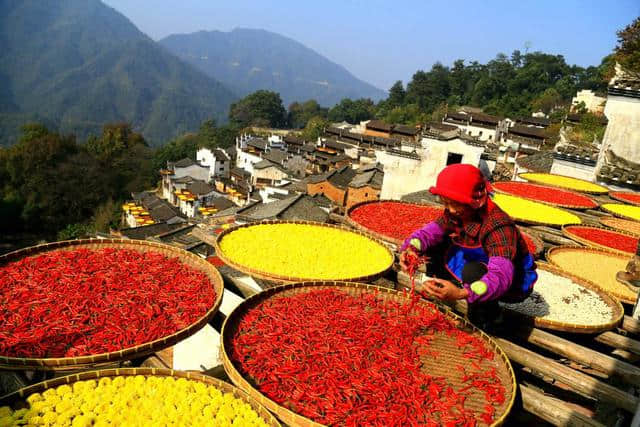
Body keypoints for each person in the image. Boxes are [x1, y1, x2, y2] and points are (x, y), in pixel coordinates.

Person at [399, 164, 537, 333]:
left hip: (511, 282)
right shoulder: (458, 212)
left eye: (455, 204)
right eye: (446, 203)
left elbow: (501, 275)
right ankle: (443, 289)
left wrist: (461, 294)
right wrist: (411, 249)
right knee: (434, 244)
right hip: (480, 261)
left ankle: (486, 319)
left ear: (475, 201)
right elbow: (429, 233)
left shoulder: (499, 227)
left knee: (473, 272)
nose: (450, 209)